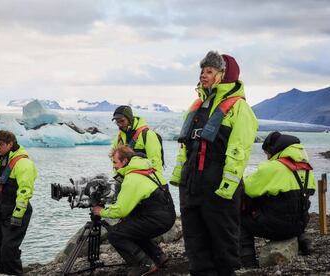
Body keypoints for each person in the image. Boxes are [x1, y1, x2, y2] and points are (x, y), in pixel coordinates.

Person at [170, 51, 258, 275]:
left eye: (209, 71)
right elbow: (185, 150)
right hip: (191, 187)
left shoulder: (240, 108)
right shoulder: (195, 107)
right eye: (202, 70)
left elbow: (239, 151)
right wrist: (181, 179)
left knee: (223, 244)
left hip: (218, 188)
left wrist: (227, 187)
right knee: (195, 245)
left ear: (223, 75)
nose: (203, 75)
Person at [92, 145, 176, 276]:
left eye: (115, 162)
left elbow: (120, 211)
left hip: (157, 219)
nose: (114, 166)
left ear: (125, 161)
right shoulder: (148, 168)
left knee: (115, 234)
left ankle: (144, 264)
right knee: (131, 226)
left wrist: (101, 211)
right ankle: (158, 257)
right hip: (168, 215)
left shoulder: (132, 178)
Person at [240, 131, 316, 267]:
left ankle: (247, 262)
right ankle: (304, 243)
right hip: (299, 225)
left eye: (267, 153)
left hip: (278, 228)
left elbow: (248, 188)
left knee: (240, 221)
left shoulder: (274, 167)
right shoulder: (307, 169)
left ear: (275, 150)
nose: (268, 158)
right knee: (295, 206)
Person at [0, 130, 37, 275]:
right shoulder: (1, 161)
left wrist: (17, 215)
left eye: (0, 144)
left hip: (15, 211)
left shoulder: (23, 163)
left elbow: (25, 191)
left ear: (10, 144)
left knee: (8, 250)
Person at [112, 105, 164, 173]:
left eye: (122, 121)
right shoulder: (119, 138)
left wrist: (156, 181)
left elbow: (156, 162)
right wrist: (118, 178)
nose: (120, 124)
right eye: (117, 122)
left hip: (145, 179)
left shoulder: (148, 135)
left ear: (129, 118)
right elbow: (115, 162)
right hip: (126, 178)